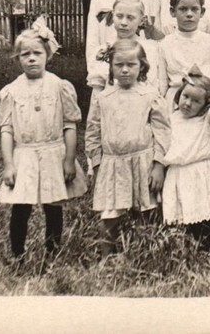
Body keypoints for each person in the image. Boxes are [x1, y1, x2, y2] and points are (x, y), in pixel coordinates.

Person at [0, 19, 87, 261]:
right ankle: (17, 254)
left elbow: (70, 124)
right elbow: (7, 130)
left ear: (47, 54)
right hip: (24, 154)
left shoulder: (60, 86)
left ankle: (52, 253)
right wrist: (9, 164)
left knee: (53, 205)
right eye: (25, 54)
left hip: (53, 153)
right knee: (21, 207)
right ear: (18, 59)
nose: (32, 59)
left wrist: (69, 160)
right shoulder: (11, 91)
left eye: (37, 53)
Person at [85, 38, 171, 257]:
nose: (124, 70)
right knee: (110, 215)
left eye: (131, 65)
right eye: (118, 65)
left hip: (143, 160)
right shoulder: (103, 98)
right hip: (112, 163)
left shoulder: (150, 95)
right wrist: (96, 164)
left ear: (141, 66)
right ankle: (107, 259)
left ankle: (146, 254)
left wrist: (158, 164)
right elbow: (93, 132)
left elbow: (163, 131)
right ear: (110, 66)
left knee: (147, 212)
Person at [153, 0, 210, 150]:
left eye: (194, 9)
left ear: (202, 12)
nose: (189, 14)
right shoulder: (164, 45)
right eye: (183, 9)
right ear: (172, 12)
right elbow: (161, 85)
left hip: (209, 103)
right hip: (177, 103)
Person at [163, 67, 210, 248]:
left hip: (200, 171)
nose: (188, 103)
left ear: (206, 104)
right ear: (178, 95)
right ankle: (183, 245)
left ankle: (209, 243)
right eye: (185, 97)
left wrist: (208, 84)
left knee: (204, 208)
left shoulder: (205, 120)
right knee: (181, 210)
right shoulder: (171, 118)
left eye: (196, 101)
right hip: (177, 172)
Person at [87, 0, 161, 97]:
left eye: (130, 18)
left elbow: (155, 89)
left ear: (141, 20)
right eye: (119, 16)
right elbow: (96, 93)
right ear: (113, 16)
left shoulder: (151, 49)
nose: (124, 23)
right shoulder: (103, 49)